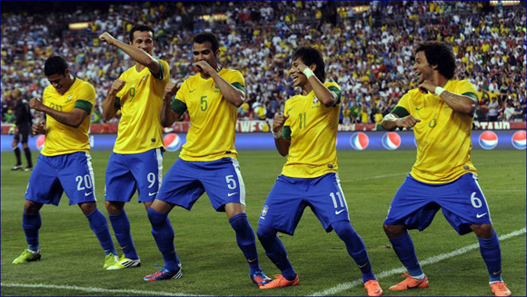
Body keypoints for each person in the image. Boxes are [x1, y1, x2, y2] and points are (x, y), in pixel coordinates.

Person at [380, 41, 511, 297]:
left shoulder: (462, 87)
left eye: (418, 61)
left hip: (457, 175)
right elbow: (385, 120)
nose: (414, 66)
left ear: (434, 63)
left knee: (483, 227)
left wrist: (436, 90)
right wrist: (397, 120)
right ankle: (416, 276)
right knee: (392, 225)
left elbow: (468, 107)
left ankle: (496, 280)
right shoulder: (412, 96)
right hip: (421, 177)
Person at [142, 32, 271, 286]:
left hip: (221, 161)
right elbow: (166, 121)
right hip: (189, 161)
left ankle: (255, 270)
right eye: (196, 54)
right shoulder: (188, 85)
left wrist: (212, 73)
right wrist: (166, 99)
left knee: (238, 218)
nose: (200, 58)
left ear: (216, 54)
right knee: (156, 215)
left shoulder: (232, 76)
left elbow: (237, 99)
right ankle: (171, 266)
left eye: (205, 53)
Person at [256, 47, 383, 296]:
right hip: (291, 177)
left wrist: (308, 73)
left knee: (344, 229)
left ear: (311, 67)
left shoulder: (330, 88)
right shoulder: (291, 102)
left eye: (296, 66)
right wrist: (276, 131)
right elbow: (284, 149)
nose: (291, 71)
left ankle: (369, 278)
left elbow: (327, 100)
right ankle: (289, 275)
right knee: (264, 231)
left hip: (322, 176)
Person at [12, 56, 119, 269]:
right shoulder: (48, 91)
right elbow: (52, 122)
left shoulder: (85, 89)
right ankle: (33, 250)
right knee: (30, 205)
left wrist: (43, 108)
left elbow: (76, 119)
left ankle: (111, 254)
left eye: (58, 80)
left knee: (87, 205)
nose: (55, 86)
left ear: (67, 72)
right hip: (49, 156)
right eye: (51, 82)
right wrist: (42, 128)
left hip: (75, 155)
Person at [98, 24, 170, 270]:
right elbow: (107, 114)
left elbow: (147, 61)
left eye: (147, 41)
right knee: (112, 204)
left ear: (152, 44)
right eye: (138, 41)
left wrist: (116, 42)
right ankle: (130, 256)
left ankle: (170, 262)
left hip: (147, 149)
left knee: (154, 210)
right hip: (121, 150)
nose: (143, 45)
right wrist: (111, 93)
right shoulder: (126, 77)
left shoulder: (158, 68)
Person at [10, 88, 34, 171]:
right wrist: (31, 125)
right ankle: (19, 164)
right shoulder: (24, 102)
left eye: (14, 93)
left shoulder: (19, 103)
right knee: (14, 142)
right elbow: (29, 115)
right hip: (25, 125)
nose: (12, 94)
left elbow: (19, 116)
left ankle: (30, 165)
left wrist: (13, 126)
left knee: (24, 144)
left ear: (17, 94)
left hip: (22, 126)